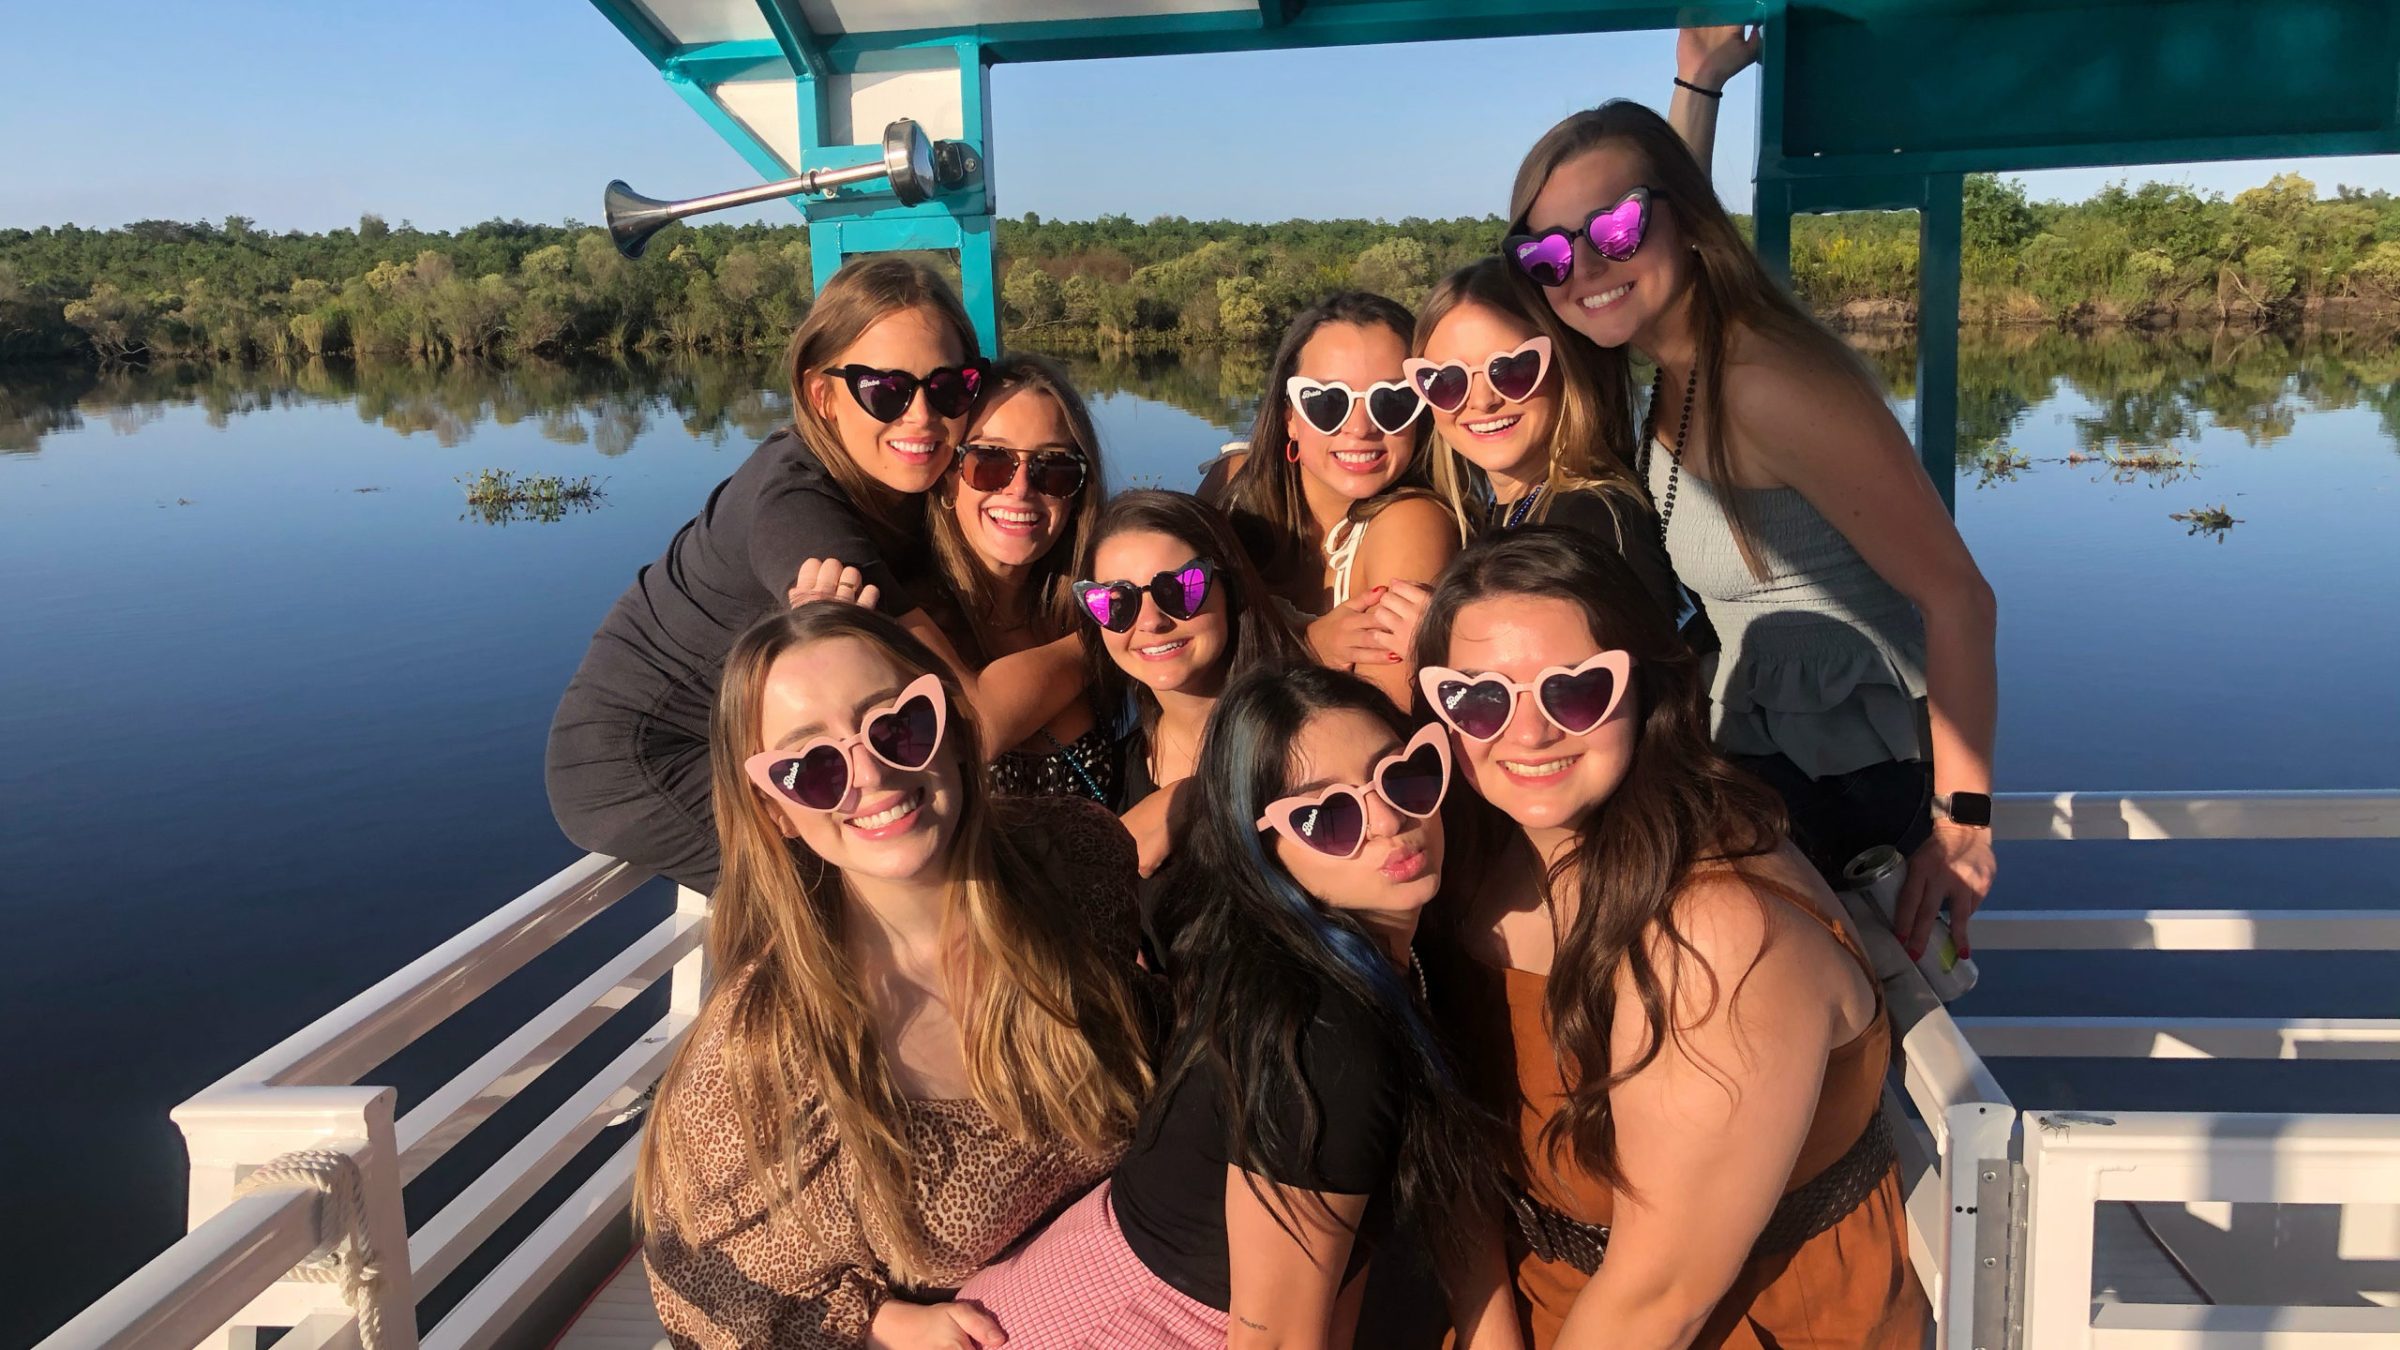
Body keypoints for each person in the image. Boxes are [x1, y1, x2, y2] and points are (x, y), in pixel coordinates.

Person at [1502, 98, 2001, 957]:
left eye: (1616, 229)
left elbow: (1959, 597)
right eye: (1547, 253)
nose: (1584, 266)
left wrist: (1962, 825)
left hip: (1850, 769)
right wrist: (1695, 85)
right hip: (1772, 743)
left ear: (1689, 223)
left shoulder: (1764, 385)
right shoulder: (1677, 368)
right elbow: (1651, 196)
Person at [1411, 529, 1927, 1350]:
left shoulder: (1715, 934)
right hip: (1536, 1296)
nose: (1528, 732)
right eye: (1478, 698)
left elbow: (1663, 1298)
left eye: (1574, 691)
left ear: (1646, 686)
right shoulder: (1475, 863)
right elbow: (1462, 1158)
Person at [637, 603, 1156, 1349]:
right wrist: (879, 1326)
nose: (874, 776)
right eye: (812, 768)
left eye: (898, 725)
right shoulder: (764, 1046)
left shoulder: (1074, 864)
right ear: (776, 810)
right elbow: (696, 1277)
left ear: (953, 725)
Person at [958, 666, 1515, 1350]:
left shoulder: (1359, 962)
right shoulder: (1322, 1036)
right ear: (1265, 852)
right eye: (1327, 816)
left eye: (1404, 774)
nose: (1390, 820)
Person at [545, 257, 1080, 893]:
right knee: (859, 888)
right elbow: (972, 720)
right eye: (886, 391)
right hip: (642, 757)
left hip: (779, 742)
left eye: (947, 388)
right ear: (822, 396)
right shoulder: (799, 512)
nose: (921, 417)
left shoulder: (896, 479)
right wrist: (1102, 634)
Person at [1207, 292, 1460, 707]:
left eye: (1392, 401)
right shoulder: (1233, 484)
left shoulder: (1411, 522)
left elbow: (1381, 724)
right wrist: (1306, 648)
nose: (1360, 428)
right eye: (1327, 402)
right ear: (1289, 416)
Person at [1409, 257, 1677, 620]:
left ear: (1565, 366)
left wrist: (1439, 636)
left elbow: (1638, 673)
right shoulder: (1494, 512)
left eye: (1513, 369)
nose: (1483, 400)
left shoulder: (1593, 521)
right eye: (1447, 380)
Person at [922, 351, 1127, 806]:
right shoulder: (914, 623)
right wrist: (1107, 635)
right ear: (949, 479)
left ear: (1077, 494)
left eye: (1053, 467)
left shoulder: (1079, 608)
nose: (1020, 489)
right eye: (990, 461)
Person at [1073, 490, 1306, 880]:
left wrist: (1196, 795)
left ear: (1231, 588)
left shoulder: (1308, 733)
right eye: (1115, 602)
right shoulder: (1110, 772)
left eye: (1179, 589)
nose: (1150, 622)